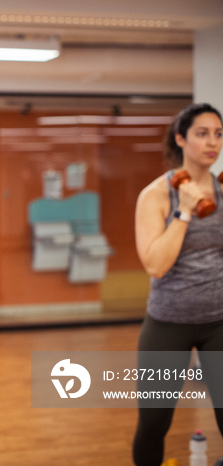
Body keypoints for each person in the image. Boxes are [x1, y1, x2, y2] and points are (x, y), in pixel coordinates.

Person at [133, 103, 223, 465]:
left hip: (219, 321)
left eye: (218, 134)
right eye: (202, 133)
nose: (212, 142)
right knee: (154, 422)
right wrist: (184, 212)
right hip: (168, 323)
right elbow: (155, 265)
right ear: (181, 138)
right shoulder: (156, 195)